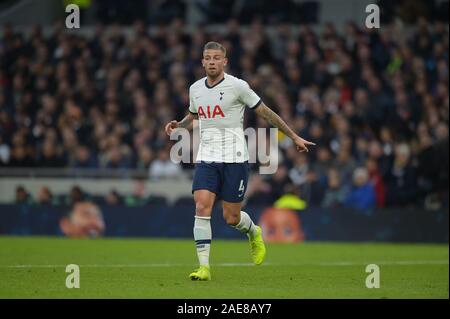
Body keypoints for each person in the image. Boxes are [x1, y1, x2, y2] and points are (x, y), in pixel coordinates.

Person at [165, 41, 315, 281]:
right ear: (202, 62)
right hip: (207, 158)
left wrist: (294, 136)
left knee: (231, 217)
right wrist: (178, 125)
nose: (212, 61)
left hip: (235, 158)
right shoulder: (195, 89)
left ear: (224, 62)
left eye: (216, 58)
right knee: (202, 206)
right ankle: (204, 268)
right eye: (208, 58)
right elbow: (195, 116)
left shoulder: (238, 86)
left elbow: (266, 112)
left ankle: (253, 231)